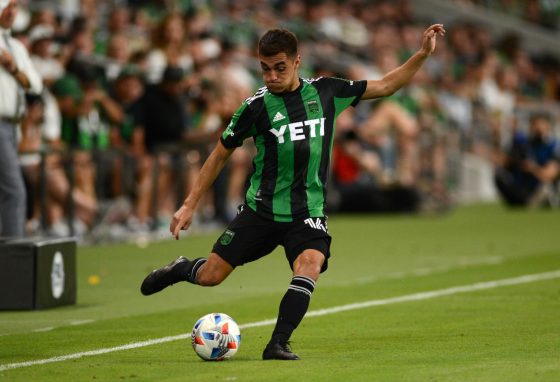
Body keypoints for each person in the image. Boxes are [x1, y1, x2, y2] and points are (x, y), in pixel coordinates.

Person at [141, 25, 445, 360]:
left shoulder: (328, 92)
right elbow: (219, 154)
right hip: (262, 210)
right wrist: (189, 205)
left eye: (279, 68)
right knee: (211, 276)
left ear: (297, 62)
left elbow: (387, 85)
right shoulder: (255, 108)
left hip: (307, 210)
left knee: (310, 264)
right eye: (265, 69)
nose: (271, 76)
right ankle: (180, 268)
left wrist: (422, 54)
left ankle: (277, 344)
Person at [0, 0, 43, 237]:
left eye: (15, 8)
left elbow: (33, 84)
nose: (12, 13)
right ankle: (14, 255)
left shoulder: (15, 46)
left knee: (6, 191)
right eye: (8, 7)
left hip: (11, 125)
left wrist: (14, 69)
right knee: (14, 191)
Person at [494, 113, 560, 207]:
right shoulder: (524, 144)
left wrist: (532, 168)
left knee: (545, 187)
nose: (537, 128)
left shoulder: (555, 146)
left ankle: (545, 199)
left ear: (548, 125)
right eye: (535, 124)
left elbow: (548, 175)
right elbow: (503, 162)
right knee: (499, 175)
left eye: (540, 124)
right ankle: (525, 202)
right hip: (524, 186)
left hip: (541, 186)